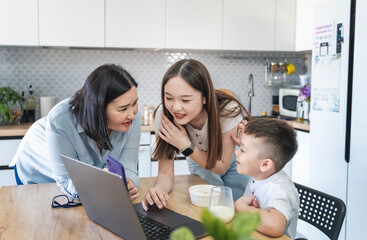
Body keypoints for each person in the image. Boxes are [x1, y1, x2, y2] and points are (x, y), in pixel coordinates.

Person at [11, 64, 141, 201]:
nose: (132, 114)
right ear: (98, 108)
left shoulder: (133, 119)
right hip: (38, 169)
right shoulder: (60, 120)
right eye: (123, 109)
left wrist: (128, 184)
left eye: (135, 103)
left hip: (83, 184)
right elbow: (66, 182)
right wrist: (98, 180)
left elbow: (130, 168)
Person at [143, 59, 251, 210]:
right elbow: (165, 172)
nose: (175, 107)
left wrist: (185, 145)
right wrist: (159, 192)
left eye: (185, 100)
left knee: (236, 206)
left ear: (204, 97)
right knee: (210, 206)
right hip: (197, 160)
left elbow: (221, 167)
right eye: (168, 98)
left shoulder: (227, 111)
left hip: (231, 161)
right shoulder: (164, 116)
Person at [234, 118, 299, 239]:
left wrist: (241, 208)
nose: (236, 153)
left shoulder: (279, 188)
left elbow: (275, 225)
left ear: (265, 165)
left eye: (242, 150)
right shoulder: (260, 175)